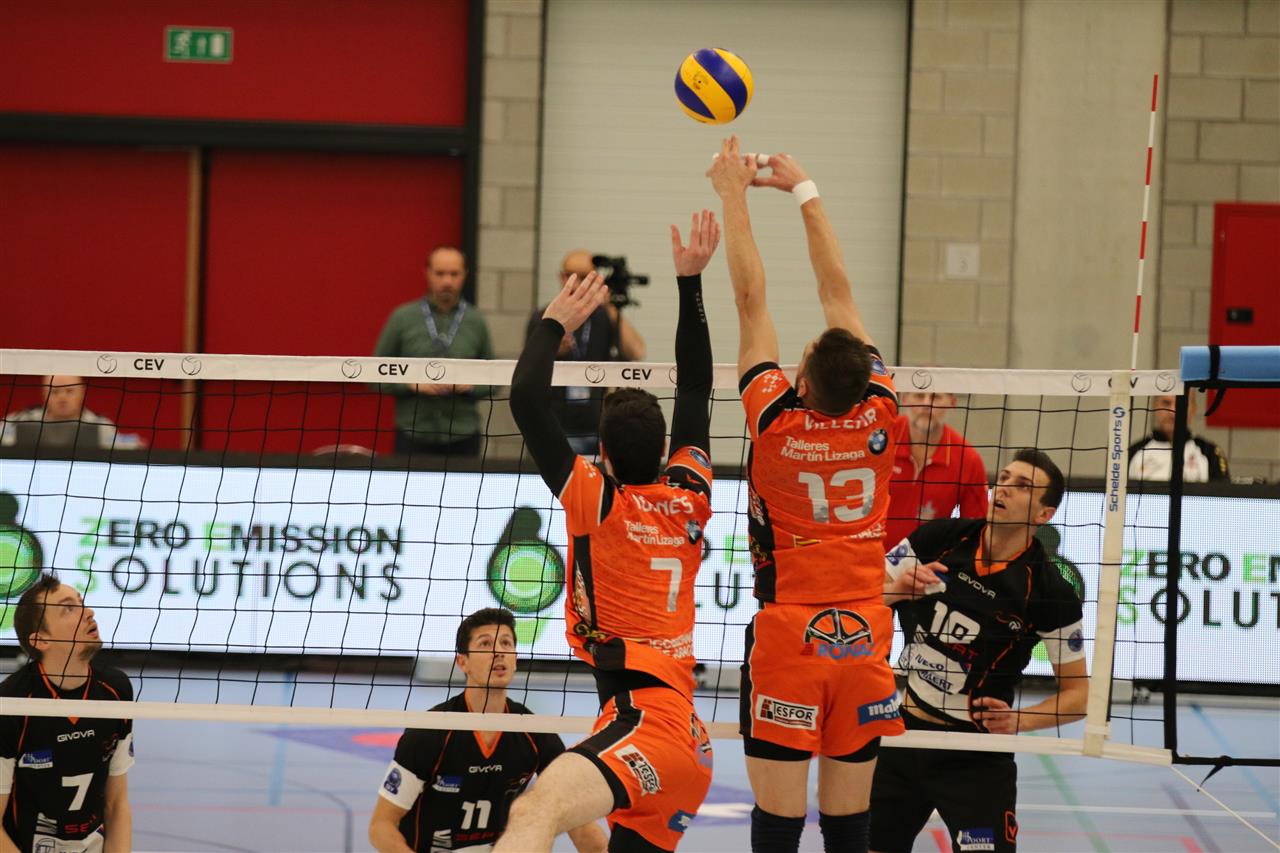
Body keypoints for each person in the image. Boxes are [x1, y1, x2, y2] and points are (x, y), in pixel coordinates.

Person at [495, 210, 719, 853]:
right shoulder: (691, 496)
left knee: (534, 811)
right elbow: (696, 388)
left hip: (644, 723)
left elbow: (524, 398)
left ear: (602, 455)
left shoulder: (595, 501)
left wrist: (552, 322)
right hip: (685, 743)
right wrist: (691, 285)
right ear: (667, 454)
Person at [710, 136, 904, 853]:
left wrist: (732, 193)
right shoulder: (881, 409)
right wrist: (805, 190)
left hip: (792, 636)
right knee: (850, 825)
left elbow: (750, 299)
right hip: (864, 634)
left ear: (802, 377)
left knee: (778, 824)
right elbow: (838, 293)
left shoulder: (774, 419)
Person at [874, 449, 1089, 853]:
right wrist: (898, 590)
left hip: (977, 753)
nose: (1004, 488)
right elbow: (859, 604)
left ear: (1044, 514)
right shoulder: (938, 538)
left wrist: (1020, 721)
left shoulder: (1049, 592)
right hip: (904, 735)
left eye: (1022, 486)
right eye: (1003, 478)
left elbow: (1079, 696)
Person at [369, 607, 607, 853]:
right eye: (485, 644)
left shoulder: (535, 733)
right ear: (463, 662)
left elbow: (581, 827)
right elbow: (381, 825)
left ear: (515, 659)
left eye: (506, 643)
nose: (498, 652)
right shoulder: (430, 732)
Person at [1, 573, 134, 853]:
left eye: (81, 602)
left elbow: (117, 804)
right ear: (41, 640)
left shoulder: (115, 689)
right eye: (69, 609)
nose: (89, 612)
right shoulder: (12, 704)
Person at [374, 246, 495, 457]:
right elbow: (375, 374)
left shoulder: (476, 321)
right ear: (427, 273)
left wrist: (469, 386)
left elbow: (495, 378)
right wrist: (413, 385)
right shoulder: (402, 318)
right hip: (413, 434)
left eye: (454, 274)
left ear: (464, 275)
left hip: (463, 435)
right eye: (440, 273)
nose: (447, 281)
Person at [525, 250, 647, 455]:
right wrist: (552, 349)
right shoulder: (544, 317)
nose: (580, 284)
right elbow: (527, 370)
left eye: (586, 277)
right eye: (573, 276)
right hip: (556, 425)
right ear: (562, 277)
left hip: (597, 425)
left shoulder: (603, 315)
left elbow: (637, 350)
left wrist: (609, 306)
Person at [886, 389, 988, 545]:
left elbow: (976, 531)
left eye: (936, 397)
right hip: (870, 554)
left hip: (926, 559)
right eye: (919, 396)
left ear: (952, 403)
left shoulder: (968, 460)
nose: (927, 404)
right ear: (905, 399)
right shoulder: (880, 439)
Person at [0, 376, 141, 450]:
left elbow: (121, 444)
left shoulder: (100, 425)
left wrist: (134, 443)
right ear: (44, 393)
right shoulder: (21, 420)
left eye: (69, 391)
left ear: (82, 393)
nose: (62, 398)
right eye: (55, 392)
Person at [1128, 391, 1229, 482]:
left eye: (1181, 404)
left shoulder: (1210, 453)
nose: (1172, 412)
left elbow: (1223, 494)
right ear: (1155, 406)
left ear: (1193, 409)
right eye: (1166, 403)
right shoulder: (1133, 453)